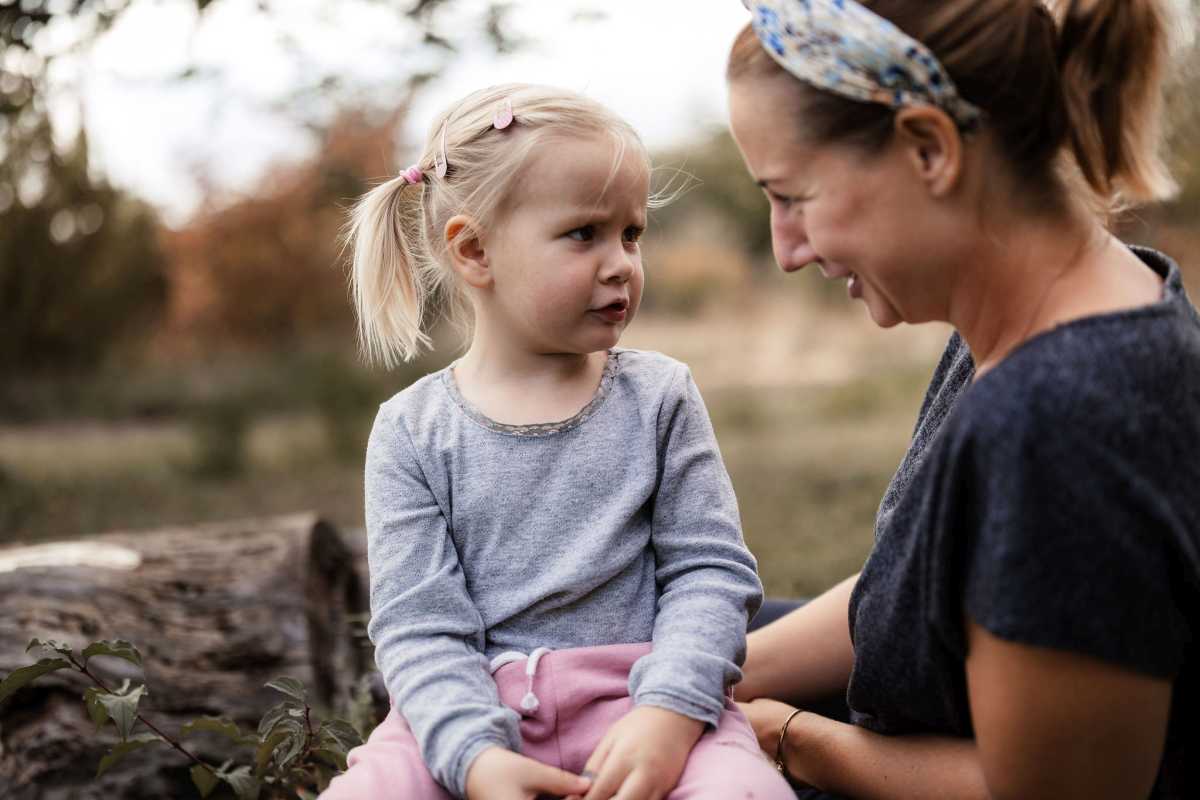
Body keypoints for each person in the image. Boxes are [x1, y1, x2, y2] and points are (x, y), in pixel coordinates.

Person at [725, 1, 1199, 798]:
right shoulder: (1033, 319)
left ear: (928, 149)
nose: (786, 250)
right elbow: (920, 595)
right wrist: (696, 672)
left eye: (793, 196)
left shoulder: (1068, 418)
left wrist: (784, 735)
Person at [320, 83, 795, 800]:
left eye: (631, 234)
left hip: (644, 700)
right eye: (585, 234)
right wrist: (474, 758)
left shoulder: (659, 397)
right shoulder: (413, 432)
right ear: (475, 250)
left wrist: (670, 712)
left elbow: (711, 575)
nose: (621, 264)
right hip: (465, 713)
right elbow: (419, 627)